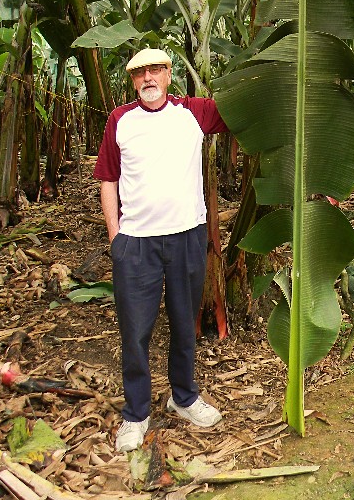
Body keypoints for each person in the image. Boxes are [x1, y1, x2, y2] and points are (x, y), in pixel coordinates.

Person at [93, 48, 228, 452]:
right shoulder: (120, 121)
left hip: (187, 234)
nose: (148, 78)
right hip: (136, 242)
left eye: (155, 70)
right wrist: (116, 235)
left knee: (185, 322)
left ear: (169, 75)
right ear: (133, 81)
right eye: (140, 73)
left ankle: (183, 396)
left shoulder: (195, 112)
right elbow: (107, 179)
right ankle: (136, 413)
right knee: (135, 330)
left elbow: (245, 109)